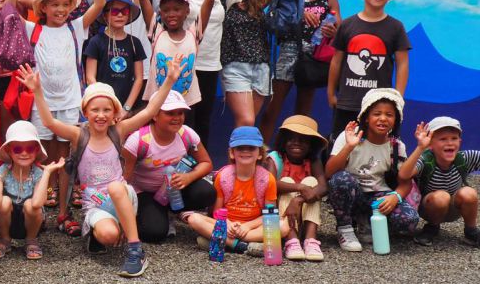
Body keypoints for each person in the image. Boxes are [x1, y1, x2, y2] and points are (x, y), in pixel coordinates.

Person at [17, 56, 184, 277]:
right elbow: (49, 122)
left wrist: (169, 80)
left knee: (115, 187)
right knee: (108, 236)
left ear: (115, 113)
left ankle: (135, 250)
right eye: (95, 110)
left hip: (122, 196)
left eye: (107, 110)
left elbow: (150, 111)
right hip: (94, 203)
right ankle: (102, 233)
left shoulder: (119, 131)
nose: (101, 115)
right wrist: (37, 91)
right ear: (85, 112)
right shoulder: (79, 135)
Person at [13, 0, 107, 235]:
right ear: (42, 7)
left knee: (66, 158)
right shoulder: (33, 29)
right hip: (41, 104)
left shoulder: (76, 27)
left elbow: (100, 3)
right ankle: (39, 208)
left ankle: (64, 212)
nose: (61, 9)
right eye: (54, 4)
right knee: (40, 155)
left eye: (65, 4)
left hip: (69, 102)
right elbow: (18, 1)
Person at [183, 0, 296, 143]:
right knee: (191, 119)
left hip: (219, 66)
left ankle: (220, 162)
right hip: (197, 64)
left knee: (211, 121)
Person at [259, 0, 341, 141]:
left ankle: (296, 153)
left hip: (312, 58)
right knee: (273, 107)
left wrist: (333, 32)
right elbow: (261, 4)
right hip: (288, 51)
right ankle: (261, 151)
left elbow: (340, 31)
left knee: (303, 113)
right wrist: (298, 11)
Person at [325, 88, 418, 252]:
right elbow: (329, 172)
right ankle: (345, 228)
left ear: (396, 120)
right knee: (341, 179)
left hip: (378, 197)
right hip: (353, 194)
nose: (383, 118)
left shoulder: (397, 146)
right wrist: (349, 147)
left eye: (389, 115)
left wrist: (395, 197)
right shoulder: (349, 136)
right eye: (377, 114)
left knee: (409, 220)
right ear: (366, 117)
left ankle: (369, 222)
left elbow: (405, 183)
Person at [327, 0, 411, 139]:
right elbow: (336, 60)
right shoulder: (347, 25)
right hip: (347, 102)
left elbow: (402, 63)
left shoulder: (396, 27)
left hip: (380, 106)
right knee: (342, 145)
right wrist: (330, 92)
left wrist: (399, 98)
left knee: (381, 148)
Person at [122, 90, 216, 244]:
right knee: (154, 234)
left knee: (207, 193)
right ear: (154, 115)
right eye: (170, 113)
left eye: (180, 113)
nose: (177, 118)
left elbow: (206, 163)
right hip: (145, 192)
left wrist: (188, 177)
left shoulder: (187, 134)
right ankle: (153, 214)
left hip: (175, 190)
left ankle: (173, 211)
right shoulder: (138, 141)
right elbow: (123, 179)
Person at [182, 126, 289, 254]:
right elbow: (217, 211)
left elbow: (270, 214)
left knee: (283, 227)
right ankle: (241, 245)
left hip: (253, 227)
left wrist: (247, 226)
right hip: (227, 225)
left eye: (251, 148)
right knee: (194, 219)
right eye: (240, 148)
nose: (245, 151)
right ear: (232, 153)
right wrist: (227, 224)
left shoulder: (267, 179)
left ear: (260, 154)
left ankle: (224, 242)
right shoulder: (223, 176)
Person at [400, 115, 480, 248]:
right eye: (443, 139)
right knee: (441, 196)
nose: (450, 143)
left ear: (460, 141)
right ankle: (432, 227)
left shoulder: (464, 158)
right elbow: (404, 175)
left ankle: (471, 231)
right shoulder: (425, 160)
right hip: (429, 207)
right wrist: (420, 148)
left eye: (454, 138)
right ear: (430, 144)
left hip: (454, 208)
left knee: (469, 192)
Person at [0, 120, 62, 260]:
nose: (24, 153)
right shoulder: (2, 171)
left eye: (30, 149)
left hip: (32, 221)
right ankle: (4, 239)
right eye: (17, 149)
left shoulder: (37, 173)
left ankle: (31, 240)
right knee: (4, 201)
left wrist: (47, 173)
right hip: (6, 220)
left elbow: (38, 203)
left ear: (36, 150)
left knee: (30, 204)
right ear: (9, 150)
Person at [264, 115, 329, 261]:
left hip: (303, 217)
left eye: (303, 140)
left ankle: (311, 240)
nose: (296, 143)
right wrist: (299, 187)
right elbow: (270, 184)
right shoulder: (275, 158)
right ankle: (291, 240)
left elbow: (323, 187)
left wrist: (298, 199)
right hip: (282, 217)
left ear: (311, 144)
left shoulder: (313, 160)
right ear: (283, 141)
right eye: (291, 139)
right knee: (286, 181)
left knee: (311, 182)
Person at [83, 0, 146, 111]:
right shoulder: (96, 42)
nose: (120, 15)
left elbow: (139, 79)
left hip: (127, 108)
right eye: (115, 11)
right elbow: (90, 78)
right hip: (102, 108)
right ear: (104, 15)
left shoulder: (135, 43)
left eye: (125, 11)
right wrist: (106, 104)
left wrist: (126, 109)